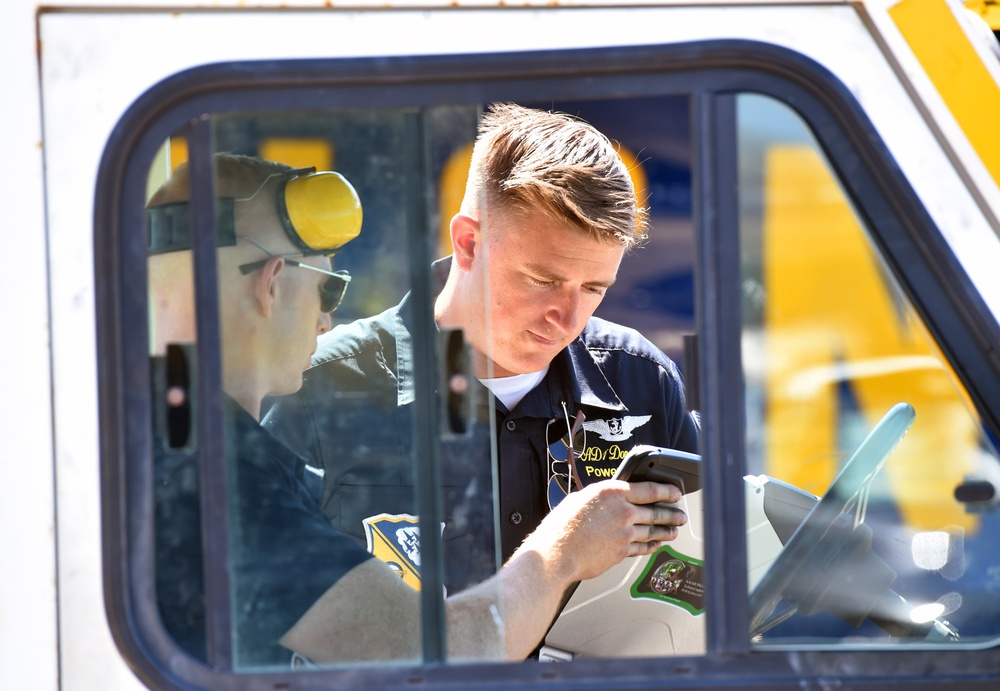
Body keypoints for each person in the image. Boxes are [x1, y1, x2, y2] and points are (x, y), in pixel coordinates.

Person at [149, 153, 688, 668]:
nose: (326, 323)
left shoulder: (170, 446)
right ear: (270, 285)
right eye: (328, 291)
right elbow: (429, 652)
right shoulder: (233, 475)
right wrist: (564, 551)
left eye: (594, 288)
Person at [263, 103, 701, 592]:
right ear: (467, 242)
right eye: (542, 280)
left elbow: (705, 587)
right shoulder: (319, 390)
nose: (568, 318)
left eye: (595, 288)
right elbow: (258, 619)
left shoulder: (642, 383)